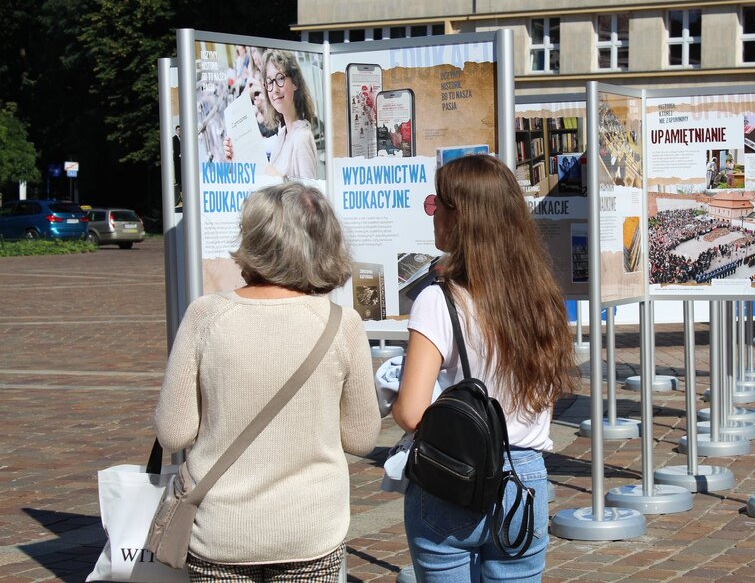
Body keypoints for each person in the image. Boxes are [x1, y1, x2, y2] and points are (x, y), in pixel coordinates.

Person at [154, 182, 381, 582]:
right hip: (311, 530)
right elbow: (361, 439)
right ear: (325, 241)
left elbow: (174, 433)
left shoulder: (205, 316)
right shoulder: (341, 324)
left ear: (254, 238)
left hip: (220, 531)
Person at [392, 155, 578, 582]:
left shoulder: (439, 301)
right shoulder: (542, 299)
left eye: (437, 203)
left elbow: (410, 412)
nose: (432, 212)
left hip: (453, 476)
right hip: (525, 476)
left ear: (461, 217)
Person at [225, 49, 318, 180]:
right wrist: (236, 155)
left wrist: (273, 174)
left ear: (295, 83)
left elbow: (310, 198)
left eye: (280, 78)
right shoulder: (283, 134)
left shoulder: (302, 138)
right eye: (269, 82)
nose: (274, 89)